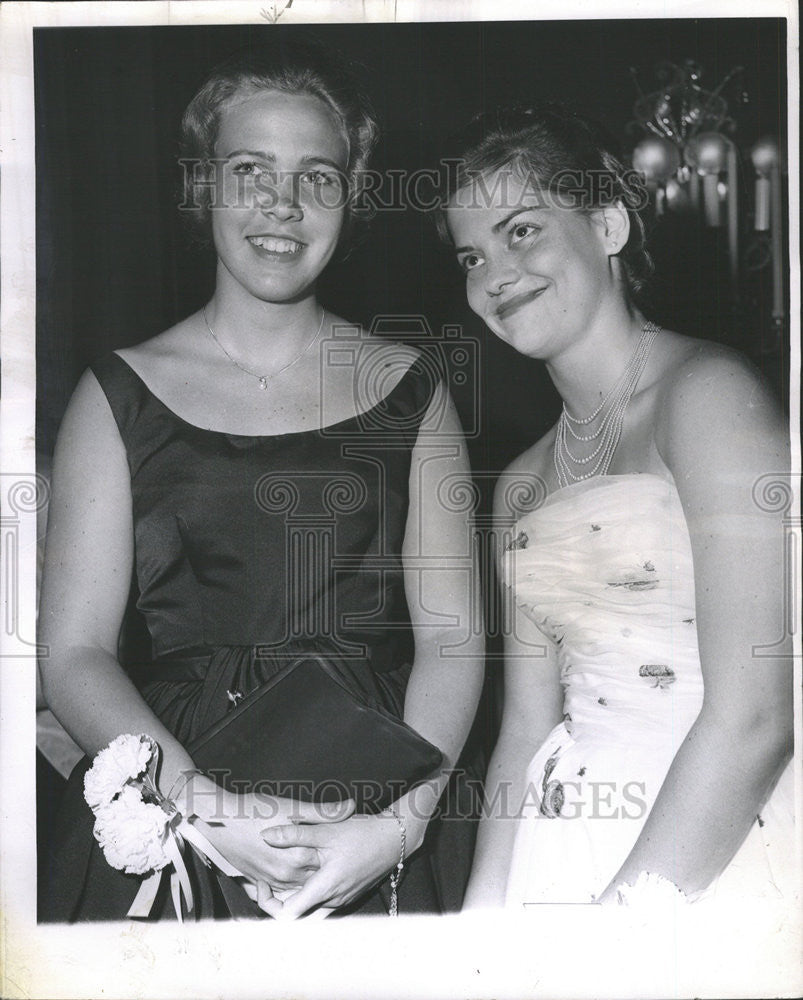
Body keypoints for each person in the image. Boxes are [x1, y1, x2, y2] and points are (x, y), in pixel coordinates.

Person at [38, 37, 483, 921]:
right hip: (174, 781)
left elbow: (454, 641)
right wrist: (201, 807)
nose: (282, 203)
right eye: (249, 169)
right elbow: (75, 654)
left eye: (317, 176)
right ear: (201, 187)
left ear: (350, 202)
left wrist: (396, 829)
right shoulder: (115, 393)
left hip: (373, 787)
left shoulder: (414, 389)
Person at [438, 105, 795, 907]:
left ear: (606, 226)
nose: (493, 274)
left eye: (520, 231)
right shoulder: (521, 483)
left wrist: (615, 938)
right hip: (559, 843)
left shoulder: (707, 397)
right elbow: (524, 733)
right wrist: (480, 922)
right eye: (470, 255)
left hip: (705, 848)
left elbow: (758, 719)